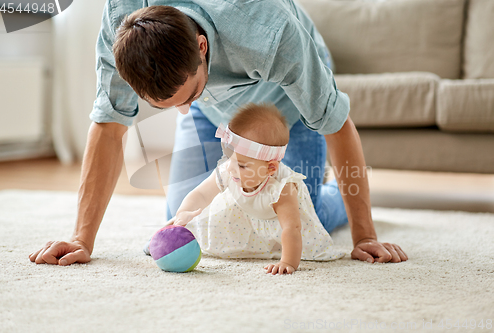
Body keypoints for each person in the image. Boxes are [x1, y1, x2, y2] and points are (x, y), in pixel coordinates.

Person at [29, 0, 407, 267]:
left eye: (186, 96)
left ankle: (334, 200)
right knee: (187, 220)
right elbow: (109, 127)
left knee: (299, 223)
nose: (182, 110)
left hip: (281, 109)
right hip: (216, 113)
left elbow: (335, 124)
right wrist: (82, 239)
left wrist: (365, 236)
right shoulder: (121, 23)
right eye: (167, 106)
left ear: (201, 45)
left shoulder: (269, 32)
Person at [148, 103, 346, 275]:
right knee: (191, 219)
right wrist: (184, 212)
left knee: (324, 215)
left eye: (243, 165)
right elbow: (201, 193)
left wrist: (288, 262)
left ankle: (338, 191)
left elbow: (291, 227)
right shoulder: (229, 169)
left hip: (275, 222)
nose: (232, 168)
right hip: (246, 216)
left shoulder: (281, 188)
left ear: (271, 167)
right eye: (230, 159)